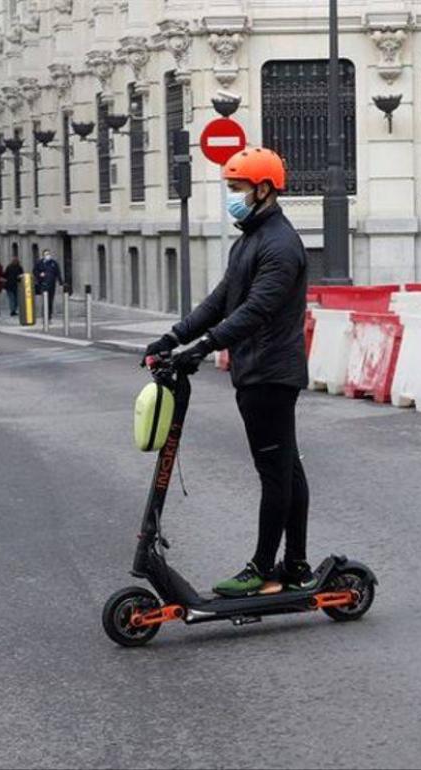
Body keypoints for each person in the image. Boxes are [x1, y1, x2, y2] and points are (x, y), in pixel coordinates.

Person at [142, 146, 312, 598]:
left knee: (275, 473)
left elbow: (255, 310)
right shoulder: (250, 239)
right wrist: (173, 339)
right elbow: (222, 300)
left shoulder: (280, 245)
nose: (231, 197)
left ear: (263, 189)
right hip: (257, 370)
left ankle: (262, 568)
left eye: (236, 189)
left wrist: (202, 348)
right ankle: (295, 565)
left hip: (270, 373)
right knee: (287, 470)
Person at [33, 249, 62, 320]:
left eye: (49, 254)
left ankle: (49, 314)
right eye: (46, 254)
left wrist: (61, 282)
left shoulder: (54, 263)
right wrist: (40, 274)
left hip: (52, 284)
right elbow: (34, 271)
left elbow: (58, 273)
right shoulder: (39, 263)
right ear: (43, 255)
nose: (48, 255)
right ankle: (45, 314)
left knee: (50, 300)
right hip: (43, 284)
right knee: (45, 299)